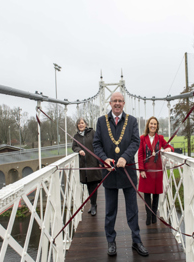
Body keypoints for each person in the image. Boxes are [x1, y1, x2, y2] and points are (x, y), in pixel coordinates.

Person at [93, 92, 149, 257]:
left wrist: (125, 157)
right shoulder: (101, 121)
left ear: (124, 103)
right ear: (110, 103)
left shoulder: (132, 120)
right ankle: (111, 242)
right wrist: (104, 159)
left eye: (120, 101)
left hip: (128, 172)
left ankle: (136, 241)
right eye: (114, 101)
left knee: (132, 210)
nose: (117, 103)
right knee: (110, 211)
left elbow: (135, 141)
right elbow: (96, 143)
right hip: (109, 173)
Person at [138, 116, 174, 225]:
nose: (153, 125)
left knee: (156, 194)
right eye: (151, 123)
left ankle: (154, 216)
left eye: (155, 124)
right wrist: (141, 170)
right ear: (148, 125)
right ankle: (148, 216)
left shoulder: (160, 138)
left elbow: (170, 147)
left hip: (157, 171)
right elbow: (140, 155)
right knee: (147, 194)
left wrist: (168, 149)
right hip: (146, 171)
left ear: (157, 126)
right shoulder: (142, 138)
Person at [72, 117, 102, 216]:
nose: (81, 125)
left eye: (82, 123)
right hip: (83, 164)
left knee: (93, 185)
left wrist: (100, 160)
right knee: (89, 185)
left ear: (86, 124)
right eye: (79, 123)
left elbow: (98, 144)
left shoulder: (92, 133)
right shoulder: (76, 136)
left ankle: (93, 205)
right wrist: (79, 150)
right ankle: (93, 204)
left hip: (93, 162)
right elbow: (74, 146)